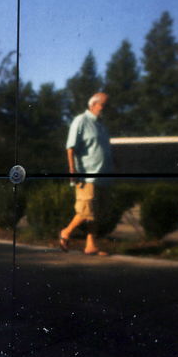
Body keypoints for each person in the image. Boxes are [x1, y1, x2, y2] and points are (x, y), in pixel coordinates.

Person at [59, 92, 114, 255]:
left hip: (104, 175)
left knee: (96, 213)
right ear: (93, 105)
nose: (106, 109)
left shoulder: (102, 126)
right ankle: (66, 232)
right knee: (85, 211)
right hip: (86, 175)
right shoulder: (80, 121)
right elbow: (70, 147)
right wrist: (72, 171)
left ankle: (90, 245)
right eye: (104, 105)